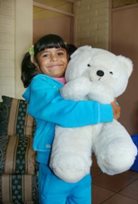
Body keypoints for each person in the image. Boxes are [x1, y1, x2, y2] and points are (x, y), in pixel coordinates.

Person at [21, 34, 120, 204]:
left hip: (81, 156)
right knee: (54, 198)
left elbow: (99, 93)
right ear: (36, 62)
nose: (54, 59)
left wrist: (110, 101)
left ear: (68, 57)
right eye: (45, 55)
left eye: (59, 53)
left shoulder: (76, 79)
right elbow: (63, 111)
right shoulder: (39, 84)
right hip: (52, 158)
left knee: (82, 199)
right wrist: (104, 111)